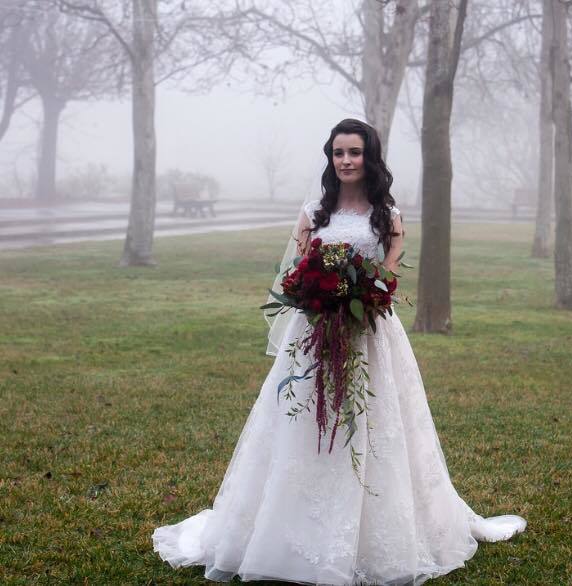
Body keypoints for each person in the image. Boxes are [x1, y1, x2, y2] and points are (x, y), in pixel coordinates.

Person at [152, 118, 527, 584]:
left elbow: (388, 280)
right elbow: (294, 272)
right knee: (301, 424)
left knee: (373, 425)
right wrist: (316, 295)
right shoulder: (313, 212)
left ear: (370, 158)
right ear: (330, 159)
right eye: (338, 153)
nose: (346, 161)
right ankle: (287, 532)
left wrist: (359, 298)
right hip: (313, 336)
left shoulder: (387, 217)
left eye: (354, 152)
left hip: (368, 334)